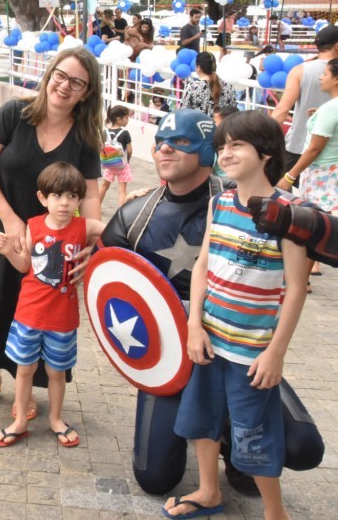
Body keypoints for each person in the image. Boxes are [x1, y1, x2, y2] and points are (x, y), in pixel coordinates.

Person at [96, 110, 323, 498]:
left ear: (205, 151)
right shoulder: (135, 216)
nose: (165, 148)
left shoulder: (253, 203)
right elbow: (109, 281)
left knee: (301, 446)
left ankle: (231, 437)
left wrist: (275, 351)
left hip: (240, 347)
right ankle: (212, 430)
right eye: (161, 141)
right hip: (172, 353)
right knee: (154, 478)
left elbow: (297, 280)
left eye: (180, 141)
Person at [164, 112, 309, 519]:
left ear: (265, 154)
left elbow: (296, 289)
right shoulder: (220, 202)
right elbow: (204, 266)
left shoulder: (290, 212)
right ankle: (209, 490)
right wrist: (194, 324)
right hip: (210, 339)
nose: (226, 153)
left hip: (252, 351)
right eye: (222, 146)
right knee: (201, 419)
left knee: (255, 432)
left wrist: (275, 353)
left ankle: (275, 512)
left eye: (237, 146)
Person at [0, 47, 103, 416]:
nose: (65, 87)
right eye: (61, 76)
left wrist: (92, 246)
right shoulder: (13, 114)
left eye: (77, 83)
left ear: (86, 92)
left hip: (49, 242)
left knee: (38, 314)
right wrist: (10, 218)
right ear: (50, 74)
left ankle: (27, 392)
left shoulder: (85, 138)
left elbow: (92, 197)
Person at [0, 163, 103, 448]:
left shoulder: (84, 226)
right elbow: (25, 265)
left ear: (80, 199)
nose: (64, 203)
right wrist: (8, 252)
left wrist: (97, 250)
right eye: (56, 196)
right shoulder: (34, 225)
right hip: (29, 315)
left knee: (56, 372)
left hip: (63, 319)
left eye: (71, 196)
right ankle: (20, 421)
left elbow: (118, 234)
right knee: (24, 369)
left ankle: (56, 418)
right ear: (43, 198)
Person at [270, 26, 338, 183]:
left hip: (299, 146)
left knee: (286, 200)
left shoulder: (300, 70)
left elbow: (282, 109)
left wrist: (262, 137)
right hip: (331, 154)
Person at [180, 51, 237, 116]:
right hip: (223, 125)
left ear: (198, 67)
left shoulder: (192, 87)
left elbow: (183, 111)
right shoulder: (229, 86)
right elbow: (233, 111)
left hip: (199, 125)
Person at [98, 105, 133, 208]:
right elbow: (130, 150)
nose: (128, 120)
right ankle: (121, 211)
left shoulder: (105, 132)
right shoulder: (125, 133)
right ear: (119, 119)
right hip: (122, 165)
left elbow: (101, 148)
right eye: (126, 118)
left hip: (109, 164)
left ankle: (96, 207)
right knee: (122, 190)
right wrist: (128, 160)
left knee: (104, 186)